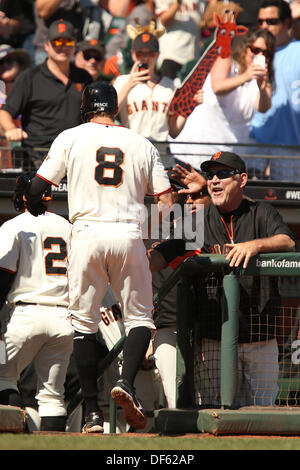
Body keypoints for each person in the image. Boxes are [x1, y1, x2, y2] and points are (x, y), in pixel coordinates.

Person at [25, 81, 173, 432]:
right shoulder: (141, 142)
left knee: (84, 326)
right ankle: (127, 383)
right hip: (128, 233)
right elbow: (167, 201)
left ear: (85, 107)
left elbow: (36, 187)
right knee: (140, 320)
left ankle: (92, 413)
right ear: (114, 108)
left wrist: (34, 205)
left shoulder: (71, 136)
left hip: (86, 233)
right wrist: (149, 236)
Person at [149, 151, 295, 407]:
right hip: (215, 336)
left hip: (261, 337)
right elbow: (159, 257)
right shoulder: (197, 221)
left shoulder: (261, 212)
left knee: (263, 410)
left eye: (223, 174)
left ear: (242, 180)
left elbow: (288, 242)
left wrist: (254, 246)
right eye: (210, 175)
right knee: (219, 409)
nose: (215, 179)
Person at [0, 172, 74, 432]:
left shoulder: (13, 225)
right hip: (63, 318)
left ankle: (14, 439)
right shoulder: (67, 226)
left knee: (3, 378)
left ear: (22, 196)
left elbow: (2, 275)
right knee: (53, 396)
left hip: (24, 316)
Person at [168, 27, 275, 171]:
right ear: (245, 47)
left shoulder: (264, 79)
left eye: (266, 53)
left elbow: (263, 107)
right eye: (255, 50)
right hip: (193, 151)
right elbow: (217, 87)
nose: (259, 55)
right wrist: (245, 76)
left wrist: (262, 89)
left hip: (226, 158)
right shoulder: (227, 59)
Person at [0, 19, 92, 171]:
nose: (63, 47)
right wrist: (11, 129)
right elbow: (5, 112)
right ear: (47, 46)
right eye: (57, 42)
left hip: (77, 159)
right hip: (39, 160)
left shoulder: (84, 77)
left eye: (68, 42)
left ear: (75, 46)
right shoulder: (30, 77)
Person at [113, 20, 200, 142]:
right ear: (133, 54)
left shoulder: (171, 85)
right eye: (140, 53)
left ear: (158, 54)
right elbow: (109, 114)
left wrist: (189, 106)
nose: (145, 58)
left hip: (161, 152)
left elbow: (173, 131)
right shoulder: (123, 81)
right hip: (133, 148)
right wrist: (129, 85)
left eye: (150, 54)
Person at [250, 0, 300, 182]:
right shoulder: (251, 52)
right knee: (250, 202)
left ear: (287, 23)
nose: (264, 26)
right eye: (260, 21)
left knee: (288, 206)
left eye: (271, 21)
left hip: (290, 146)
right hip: (254, 140)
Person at [154, 0, 206, 79]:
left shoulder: (201, 1)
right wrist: (178, 3)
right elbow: (164, 21)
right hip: (173, 55)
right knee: (170, 89)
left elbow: (202, 22)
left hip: (193, 56)